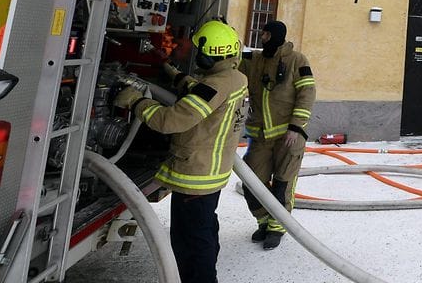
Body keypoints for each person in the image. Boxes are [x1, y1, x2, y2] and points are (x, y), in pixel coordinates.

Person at [115, 20, 248, 283]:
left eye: (200, 51)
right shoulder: (234, 78)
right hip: (211, 174)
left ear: (211, 55)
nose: (196, 55)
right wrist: (172, 73)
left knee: (190, 245)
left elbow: (170, 121)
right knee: (205, 233)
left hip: (195, 178)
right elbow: (203, 92)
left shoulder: (216, 85)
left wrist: (135, 101)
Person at [240, 20, 316, 249]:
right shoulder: (255, 60)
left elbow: (307, 93)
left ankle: (277, 227)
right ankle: (263, 221)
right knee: (252, 181)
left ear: (274, 35)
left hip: (288, 136)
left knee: (282, 183)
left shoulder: (297, 60)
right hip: (261, 136)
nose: (262, 37)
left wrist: (295, 126)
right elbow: (233, 63)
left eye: (265, 33)